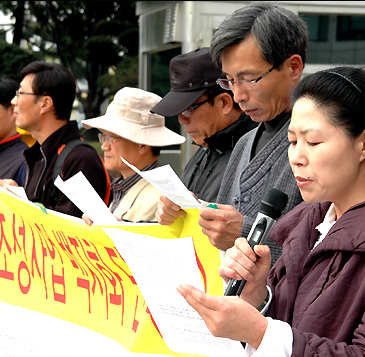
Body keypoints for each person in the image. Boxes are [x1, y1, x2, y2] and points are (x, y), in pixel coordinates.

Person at [177, 66, 365, 357]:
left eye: (313, 142)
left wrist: (259, 331)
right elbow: (295, 327)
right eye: (292, 142)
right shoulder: (306, 221)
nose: (297, 158)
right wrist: (258, 299)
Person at [155, 2, 306, 267]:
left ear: (293, 67)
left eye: (248, 79)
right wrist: (194, 212)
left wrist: (245, 231)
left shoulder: (319, 145)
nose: (238, 95)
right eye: (229, 80)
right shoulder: (245, 143)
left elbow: (324, 248)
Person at [0, 61, 110, 217]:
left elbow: (70, 234)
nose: (13, 101)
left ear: (45, 104)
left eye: (20, 94)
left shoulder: (79, 159)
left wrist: (21, 208)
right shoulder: (38, 156)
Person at [150, 47, 257, 202]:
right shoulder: (205, 150)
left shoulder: (256, 152)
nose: (181, 120)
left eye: (187, 109)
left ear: (224, 103)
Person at [81, 87, 185, 223]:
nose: (104, 146)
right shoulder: (124, 187)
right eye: (103, 137)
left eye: (111, 138)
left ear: (143, 145)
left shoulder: (162, 200)